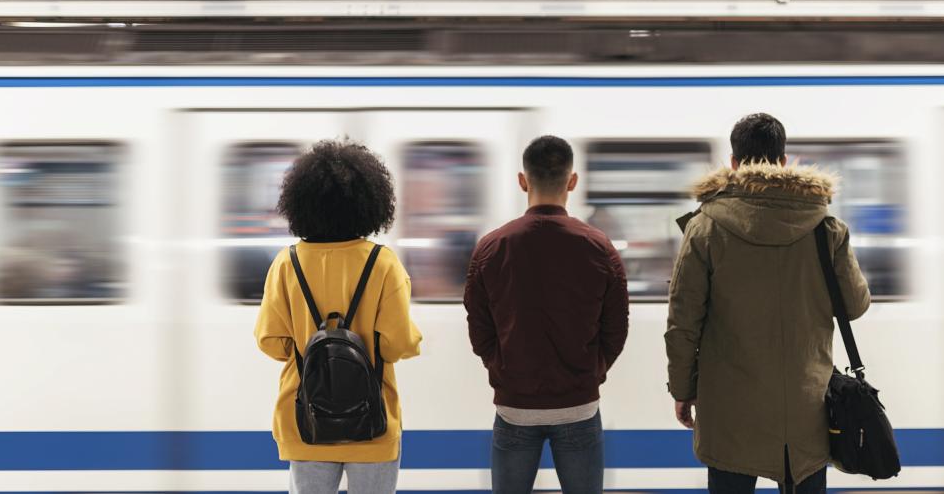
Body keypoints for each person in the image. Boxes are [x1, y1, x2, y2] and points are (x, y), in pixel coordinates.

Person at [664, 114, 871, 494]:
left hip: (729, 408)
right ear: (783, 161)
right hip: (806, 407)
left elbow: (682, 322)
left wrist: (682, 388)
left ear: (733, 163)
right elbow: (854, 306)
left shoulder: (704, 228)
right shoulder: (827, 228)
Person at [255, 139, 423, 494]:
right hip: (372, 422)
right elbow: (396, 346)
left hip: (307, 420)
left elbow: (271, 343)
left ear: (302, 203)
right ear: (369, 203)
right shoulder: (383, 263)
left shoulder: (287, 263)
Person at [464, 135, 630, 494]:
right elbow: (616, 330)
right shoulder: (599, 247)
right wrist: (591, 372)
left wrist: (502, 368)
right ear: (572, 181)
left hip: (514, 407)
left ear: (523, 181)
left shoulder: (491, 247)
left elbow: (479, 329)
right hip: (579, 406)